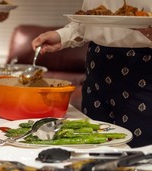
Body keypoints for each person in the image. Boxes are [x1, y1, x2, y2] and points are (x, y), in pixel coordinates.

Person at [32, 0, 152, 148]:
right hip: (98, 66)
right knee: (93, 145)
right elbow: (88, 22)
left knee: (140, 152)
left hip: (143, 70)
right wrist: (61, 36)